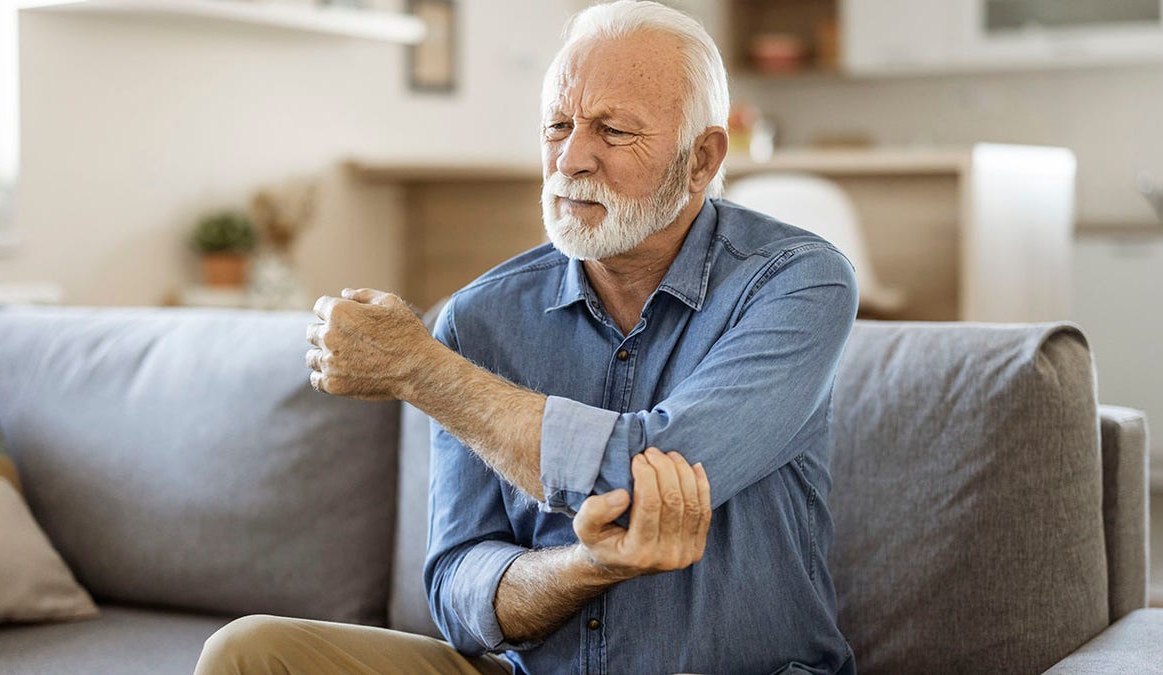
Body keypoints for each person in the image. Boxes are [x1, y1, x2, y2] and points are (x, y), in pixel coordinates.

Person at [194, 1, 857, 673]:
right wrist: (586, 566)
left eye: (614, 130)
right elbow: (457, 587)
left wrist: (424, 372)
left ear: (702, 158)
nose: (571, 158)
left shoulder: (797, 283)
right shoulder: (477, 318)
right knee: (249, 652)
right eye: (558, 125)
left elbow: (651, 471)